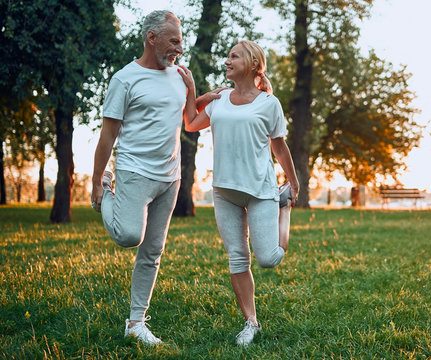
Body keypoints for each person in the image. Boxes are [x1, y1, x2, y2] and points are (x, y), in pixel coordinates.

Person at [91, 10, 220, 346]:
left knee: (153, 251)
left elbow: (189, 120)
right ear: (152, 38)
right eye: (174, 40)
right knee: (129, 235)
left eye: (180, 39)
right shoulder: (124, 79)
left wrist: (207, 98)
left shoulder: (181, 76)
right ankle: (106, 192)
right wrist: (95, 181)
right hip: (134, 171)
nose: (180, 46)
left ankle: (136, 323)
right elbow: (107, 136)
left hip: (170, 177)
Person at [177, 39, 299, 346]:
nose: (227, 60)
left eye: (235, 56)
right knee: (237, 258)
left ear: (254, 65)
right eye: (227, 55)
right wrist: (198, 92)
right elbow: (191, 122)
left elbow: (279, 145)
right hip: (225, 191)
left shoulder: (269, 103)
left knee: (268, 259)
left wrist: (293, 182)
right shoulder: (219, 100)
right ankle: (251, 322)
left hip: (260, 190)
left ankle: (283, 210)